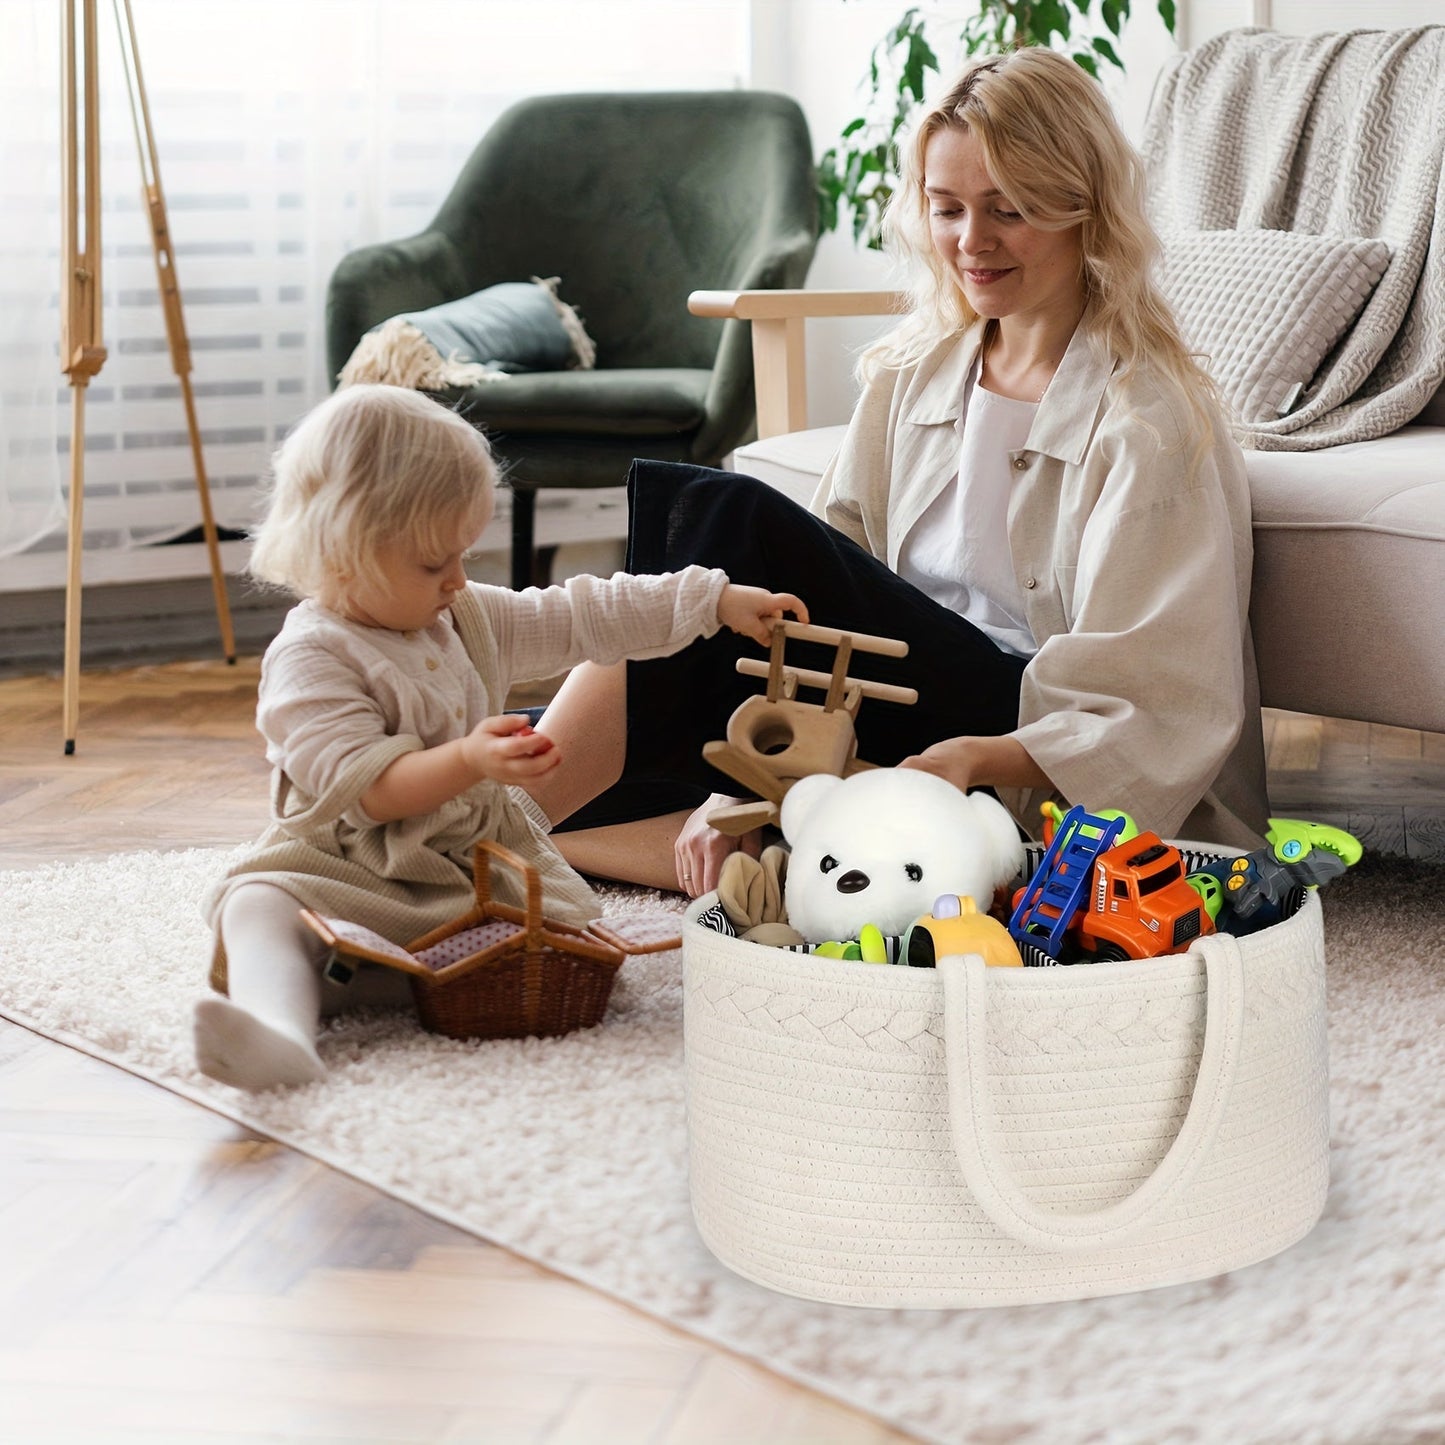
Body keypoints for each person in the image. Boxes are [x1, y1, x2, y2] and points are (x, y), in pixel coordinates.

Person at [520, 46, 1270, 901]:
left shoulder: (1150, 419)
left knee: (725, 518)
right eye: (946, 208)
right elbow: (827, 589)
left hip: (1013, 737)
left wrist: (976, 758)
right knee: (531, 737)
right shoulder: (914, 371)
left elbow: (1161, 699)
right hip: (881, 702)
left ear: (1082, 209)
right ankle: (764, 863)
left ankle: (460, 854)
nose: (970, 242)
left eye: (1008, 211)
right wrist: (774, 754)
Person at [194, 383, 804, 1090]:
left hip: (470, 867)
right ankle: (282, 1032)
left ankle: (363, 975)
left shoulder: (464, 615)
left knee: (552, 944)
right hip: (351, 866)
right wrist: (468, 758)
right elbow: (368, 794)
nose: (458, 579)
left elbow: (585, 616)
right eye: (433, 564)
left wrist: (710, 600)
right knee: (254, 902)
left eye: (463, 554)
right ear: (342, 553)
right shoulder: (312, 657)